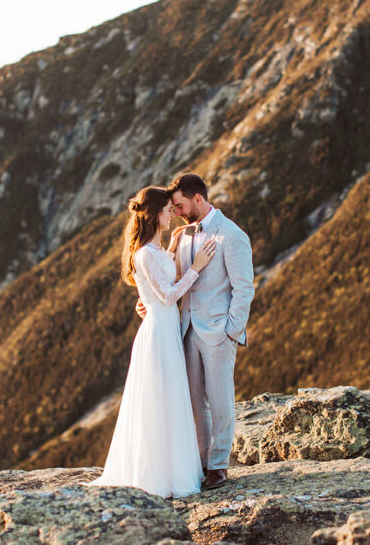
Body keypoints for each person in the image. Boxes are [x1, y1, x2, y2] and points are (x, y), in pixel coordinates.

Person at [83, 186, 217, 498]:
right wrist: (196, 267)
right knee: (160, 401)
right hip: (158, 334)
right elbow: (168, 295)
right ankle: (159, 474)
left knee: (169, 399)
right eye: (169, 209)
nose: (174, 213)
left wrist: (173, 247)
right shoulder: (144, 254)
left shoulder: (154, 251)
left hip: (165, 329)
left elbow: (160, 280)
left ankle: (171, 469)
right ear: (156, 213)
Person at [137, 173, 254, 490]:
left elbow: (244, 289)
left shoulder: (232, 235)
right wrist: (148, 302)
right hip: (185, 331)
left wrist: (231, 331)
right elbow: (170, 282)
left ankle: (218, 465)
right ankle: (200, 464)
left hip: (219, 333)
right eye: (172, 208)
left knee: (220, 401)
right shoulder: (184, 236)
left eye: (179, 205)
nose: (175, 212)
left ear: (197, 199)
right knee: (193, 404)